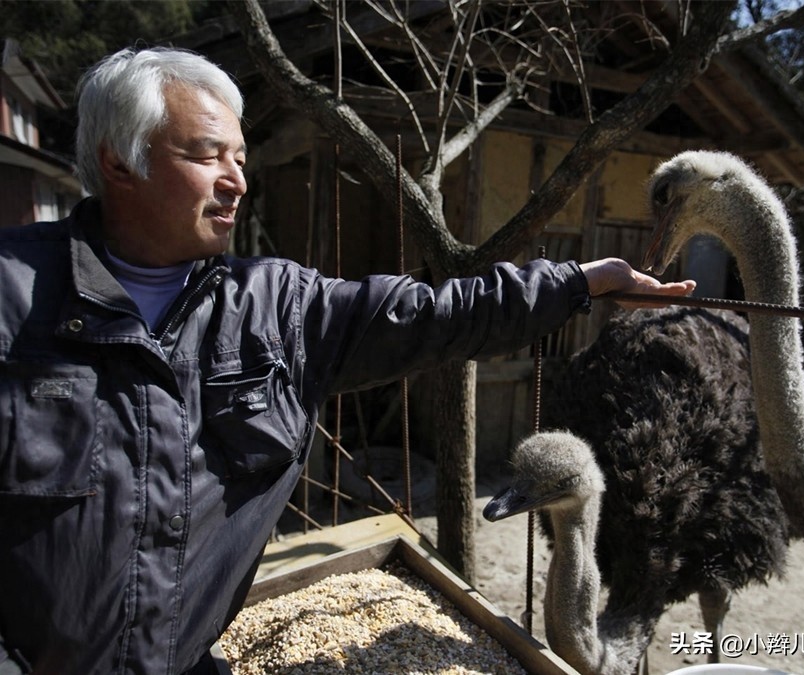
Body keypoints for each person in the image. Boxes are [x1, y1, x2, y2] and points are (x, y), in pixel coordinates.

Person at [0, 46, 695, 675]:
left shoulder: (278, 308)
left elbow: (439, 312)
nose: (237, 181)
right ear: (121, 161)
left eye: (241, 160)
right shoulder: (14, 298)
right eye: (210, 155)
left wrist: (580, 282)